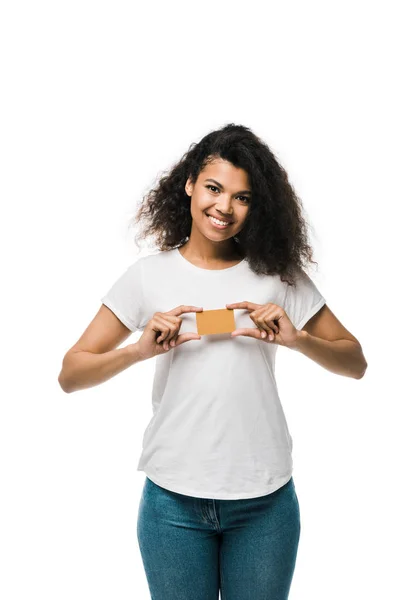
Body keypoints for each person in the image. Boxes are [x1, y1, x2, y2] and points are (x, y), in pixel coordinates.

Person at [58, 123, 368, 599]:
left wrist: (297, 338)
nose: (224, 207)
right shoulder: (148, 276)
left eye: (242, 197)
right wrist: (140, 349)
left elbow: (355, 362)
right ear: (189, 184)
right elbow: (71, 373)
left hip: (264, 504)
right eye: (214, 188)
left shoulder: (279, 277)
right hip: (172, 506)